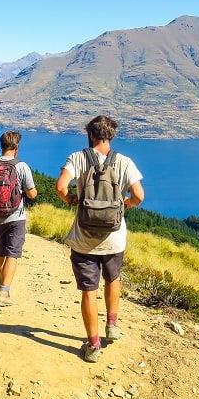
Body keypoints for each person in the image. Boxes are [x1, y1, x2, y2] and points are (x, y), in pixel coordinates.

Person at [55, 115, 144, 363]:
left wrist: (72, 200)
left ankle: (93, 345)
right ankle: (112, 325)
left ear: (90, 134)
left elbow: (60, 186)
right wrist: (125, 205)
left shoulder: (78, 158)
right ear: (111, 136)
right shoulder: (124, 162)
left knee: (88, 291)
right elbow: (139, 195)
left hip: (84, 238)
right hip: (114, 238)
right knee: (113, 278)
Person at [0, 130, 37, 307]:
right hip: (16, 217)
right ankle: (4, 292)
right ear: (16, 148)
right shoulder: (21, 166)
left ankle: (1, 283)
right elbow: (32, 194)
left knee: (1, 253)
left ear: (1, 146)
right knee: (13, 254)